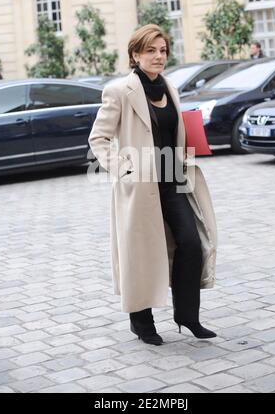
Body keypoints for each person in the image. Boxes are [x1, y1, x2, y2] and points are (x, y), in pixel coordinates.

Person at [88, 24, 217, 346]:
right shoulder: (119, 91)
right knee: (142, 254)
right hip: (140, 186)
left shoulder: (169, 87)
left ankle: (188, 316)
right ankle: (142, 323)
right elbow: (99, 139)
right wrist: (124, 170)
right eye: (151, 51)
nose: (158, 57)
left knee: (190, 243)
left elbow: (173, 133)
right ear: (135, 55)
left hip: (173, 180)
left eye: (163, 51)